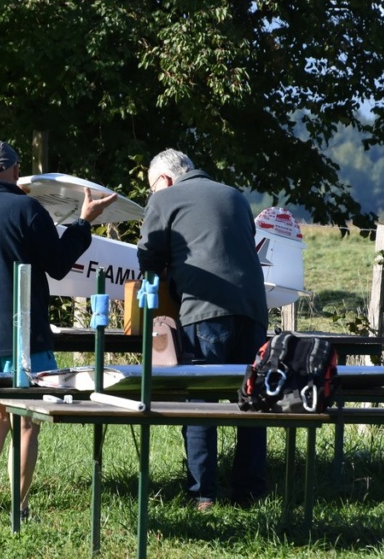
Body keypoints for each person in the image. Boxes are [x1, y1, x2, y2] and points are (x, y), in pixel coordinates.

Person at [0, 141, 117, 518]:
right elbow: (58, 264)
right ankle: (19, 508)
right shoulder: (27, 208)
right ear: (12, 170)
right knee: (27, 421)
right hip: (24, 333)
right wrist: (83, 222)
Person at [136, 149, 269, 510]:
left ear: (163, 180)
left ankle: (203, 495)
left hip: (204, 309)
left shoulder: (165, 199)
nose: (152, 194)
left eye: (151, 188)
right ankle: (249, 493)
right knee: (253, 402)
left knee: (200, 402)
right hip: (254, 310)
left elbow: (148, 259)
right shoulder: (234, 196)